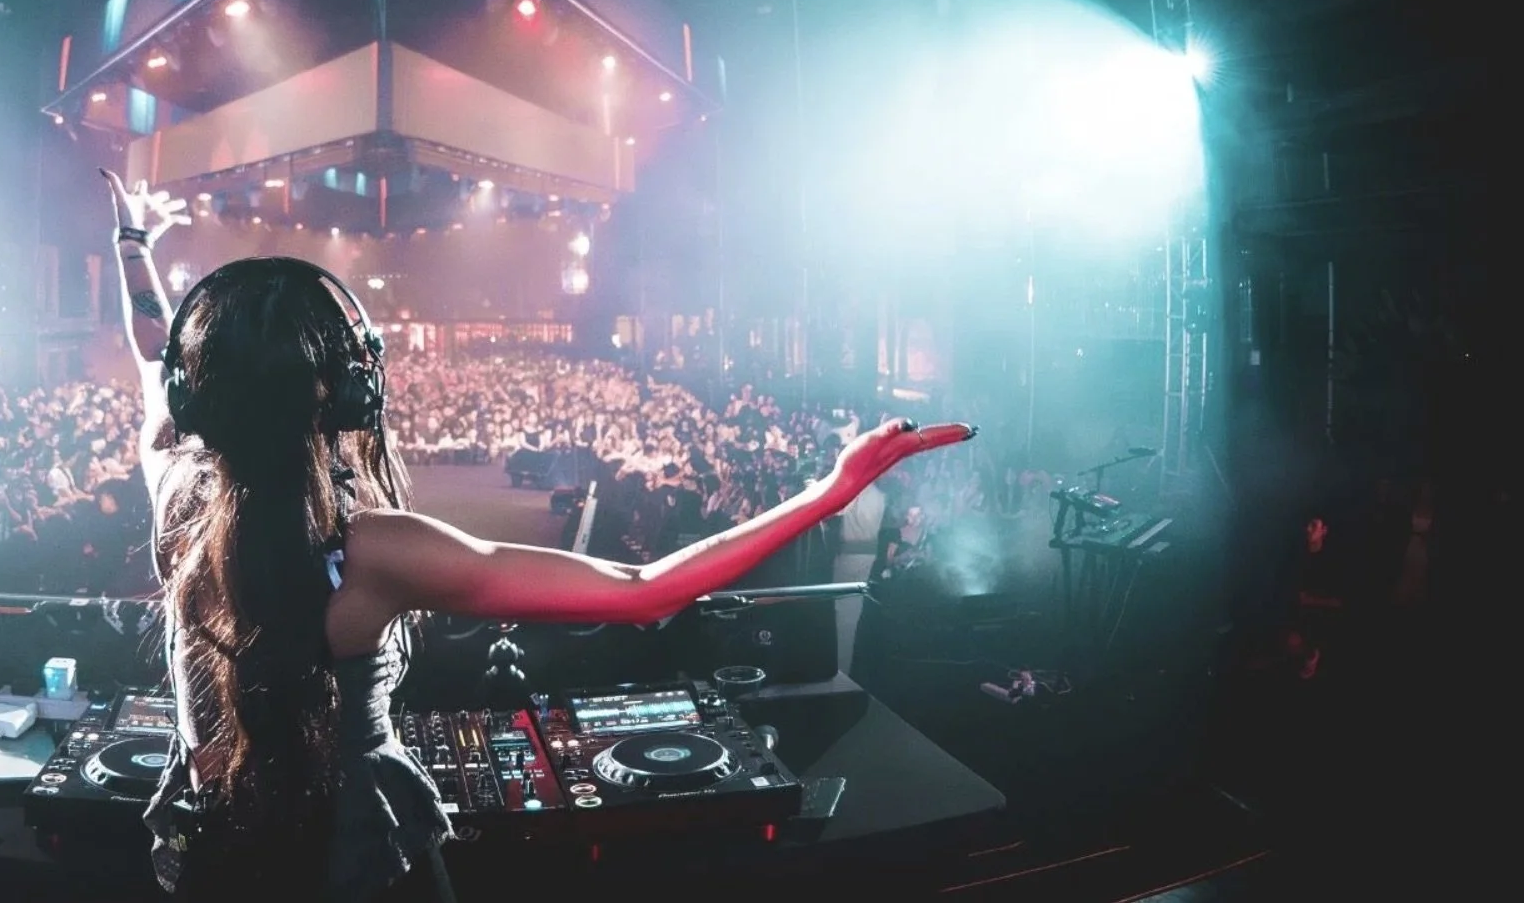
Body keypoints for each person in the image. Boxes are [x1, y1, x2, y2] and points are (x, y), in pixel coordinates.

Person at [101, 174, 973, 902]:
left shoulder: (175, 489)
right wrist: (831, 490)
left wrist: (133, 246)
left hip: (216, 856)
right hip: (361, 864)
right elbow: (647, 592)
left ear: (194, 393)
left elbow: (151, 352)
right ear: (352, 391)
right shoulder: (377, 552)